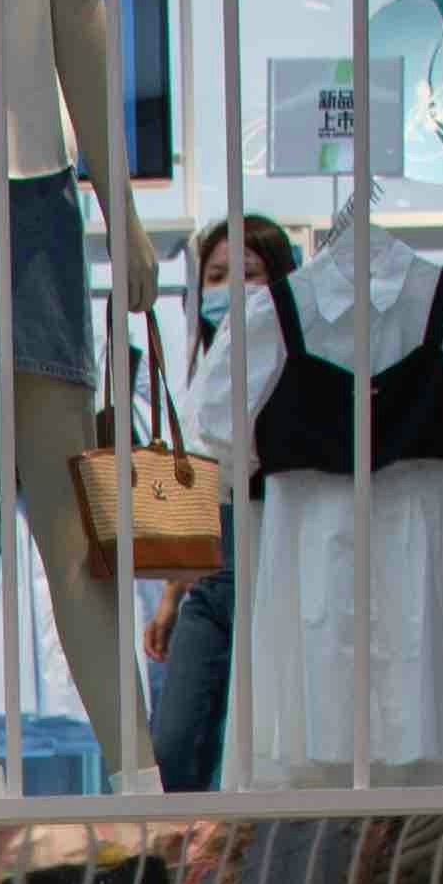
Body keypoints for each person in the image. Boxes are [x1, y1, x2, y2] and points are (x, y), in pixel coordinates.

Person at [148, 215, 291, 794]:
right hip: (211, 582)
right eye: (217, 276)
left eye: (249, 274)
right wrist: (168, 597)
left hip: (280, 577)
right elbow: (196, 489)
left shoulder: (297, 365)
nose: (229, 289)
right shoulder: (202, 371)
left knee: (263, 760)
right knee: (175, 751)